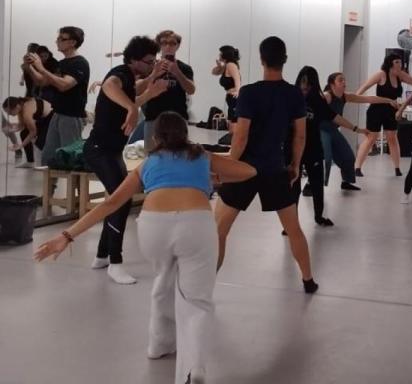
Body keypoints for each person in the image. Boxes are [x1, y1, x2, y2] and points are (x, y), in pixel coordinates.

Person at [35, 111, 257, 384]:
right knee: (197, 300)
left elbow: (110, 203)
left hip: (154, 227)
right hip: (196, 225)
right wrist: (212, 177)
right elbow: (249, 171)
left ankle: (159, 344)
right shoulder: (201, 156)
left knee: (164, 279)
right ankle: (194, 367)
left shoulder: (147, 163)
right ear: (185, 134)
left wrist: (67, 235)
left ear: (155, 138)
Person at [214, 36, 319, 293]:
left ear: (261, 59)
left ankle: (206, 285)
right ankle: (308, 280)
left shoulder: (249, 92)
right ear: (284, 60)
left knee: (219, 230)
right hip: (275, 168)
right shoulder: (294, 94)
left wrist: (230, 165)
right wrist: (294, 165)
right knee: (293, 228)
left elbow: (241, 137)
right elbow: (300, 135)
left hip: (245, 169)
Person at [86, 36, 167, 285]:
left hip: (110, 151)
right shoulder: (120, 72)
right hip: (99, 150)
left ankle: (101, 255)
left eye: (155, 61)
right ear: (133, 61)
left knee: (118, 197)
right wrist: (133, 109)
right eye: (148, 62)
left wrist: (149, 92)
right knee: (120, 201)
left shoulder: (131, 79)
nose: (152, 65)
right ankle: (115, 262)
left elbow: (131, 99)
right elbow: (109, 86)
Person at [292, 66, 369, 226]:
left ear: (313, 84)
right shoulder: (292, 98)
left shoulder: (318, 101)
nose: (305, 86)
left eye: (308, 82)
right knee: (293, 187)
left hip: (313, 147)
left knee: (317, 183)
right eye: (302, 82)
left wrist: (357, 129)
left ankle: (318, 216)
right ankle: (291, 222)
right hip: (294, 149)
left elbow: (334, 117)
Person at [320, 72, 397, 191]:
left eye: (344, 80)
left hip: (333, 130)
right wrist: (357, 129)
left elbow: (369, 98)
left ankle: (346, 182)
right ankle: (312, 185)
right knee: (326, 158)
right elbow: (331, 116)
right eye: (340, 80)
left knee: (348, 157)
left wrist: (388, 100)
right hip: (321, 130)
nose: (344, 82)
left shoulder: (346, 96)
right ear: (332, 84)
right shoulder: (327, 96)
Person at [24, 26, 90, 166]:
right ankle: (49, 188)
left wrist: (41, 68)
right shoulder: (61, 64)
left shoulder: (80, 63)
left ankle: (77, 188)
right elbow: (42, 81)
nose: (57, 41)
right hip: (58, 114)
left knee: (71, 158)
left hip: (72, 117)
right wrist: (29, 67)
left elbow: (64, 85)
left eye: (61, 39)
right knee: (48, 158)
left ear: (72, 42)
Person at [354, 54, 412, 177]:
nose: (399, 64)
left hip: (391, 111)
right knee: (371, 137)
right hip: (376, 110)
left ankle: (397, 168)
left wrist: (405, 72)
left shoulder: (400, 75)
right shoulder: (381, 74)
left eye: (400, 62)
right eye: (397, 62)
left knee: (392, 138)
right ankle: (357, 167)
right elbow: (365, 86)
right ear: (390, 63)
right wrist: (354, 98)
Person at [143, 30, 196, 151]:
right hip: (153, 116)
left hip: (178, 117)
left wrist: (177, 72)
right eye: (164, 43)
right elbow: (139, 89)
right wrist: (154, 74)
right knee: (151, 155)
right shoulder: (150, 66)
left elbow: (191, 90)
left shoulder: (184, 68)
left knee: (179, 154)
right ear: (159, 45)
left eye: (172, 43)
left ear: (177, 46)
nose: (168, 46)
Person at [2, 96, 52, 168]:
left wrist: (20, 146)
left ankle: (48, 163)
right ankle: (30, 162)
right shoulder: (21, 107)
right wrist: (10, 130)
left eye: (9, 112)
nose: (9, 114)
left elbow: (33, 132)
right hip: (43, 120)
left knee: (40, 142)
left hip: (51, 118)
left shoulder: (26, 111)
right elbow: (22, 125)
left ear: (17, 106)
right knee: (24, 133)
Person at [211, 45, 242, 134]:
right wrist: (220, 67)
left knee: (233, 124)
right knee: (231, 122)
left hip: (233, 97)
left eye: (220, 53)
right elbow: (214, 72)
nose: (219, 55)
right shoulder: (226, 65)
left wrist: (238, 91)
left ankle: (233, 144)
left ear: (225, 54)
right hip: (230, 97)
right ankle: (232, 143)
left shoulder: (230, 65)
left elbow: (237, 78)